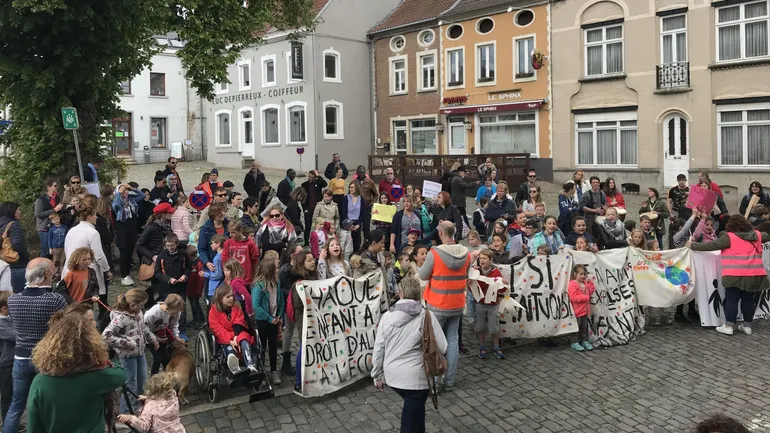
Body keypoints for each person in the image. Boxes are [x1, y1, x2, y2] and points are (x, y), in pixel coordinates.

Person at [27, 307, 126, 433]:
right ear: (91, 344)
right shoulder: (99, 377)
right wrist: (105, 361)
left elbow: (34, 425)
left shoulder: (40, 382)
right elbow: (120, 374)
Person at [371, 277, 447, 433]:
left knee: (416, 414)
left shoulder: (386, 317)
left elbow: (379, 348)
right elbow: (443, 346)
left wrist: (377, 375)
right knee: (411, 419)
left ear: (400, 294)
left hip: (392, 376)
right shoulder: (427, 315)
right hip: (416, 378)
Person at [3, 258, 67, 433]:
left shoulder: (13, 300)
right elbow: (64, 329)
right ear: (47, 273)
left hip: (21, 357)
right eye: (53, 270)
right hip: (46, 357)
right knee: (49, 404)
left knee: (16, 405)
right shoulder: (55, 300)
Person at [689, 215, 770, 335]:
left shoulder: (729, 237)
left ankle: (729, 326)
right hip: (753, 273)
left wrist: (692, 245)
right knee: (748, 300)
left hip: (734, 274)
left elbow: (710, 246)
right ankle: (747, 326)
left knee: (732, 299)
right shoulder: (757, 236)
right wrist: (754, 232)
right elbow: (766, 235)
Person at [418, 221, 470, 392]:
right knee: (453, 341)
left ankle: (434, 383)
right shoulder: (465, 252)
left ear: (440, 233)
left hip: (438, 304)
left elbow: (423, 276)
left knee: (434, 344)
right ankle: (449, 381)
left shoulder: (435, 253)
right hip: (457, 303)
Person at [102, 289, 157, 415]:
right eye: (142, 305)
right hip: (127, 356)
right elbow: (106, 335)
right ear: (133, 305)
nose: (143, 307)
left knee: (143, 381)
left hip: (140, 352)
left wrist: (152, 339)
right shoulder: (121, 318)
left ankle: (139, 408)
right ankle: (125, 413)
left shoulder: (138, 313)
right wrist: (127, 344)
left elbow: (143, 327)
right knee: (130, 385)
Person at [62, 207, 112, 317]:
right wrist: (107, 270)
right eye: (95, 215)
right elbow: (99, 255)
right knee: (96, 298)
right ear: (89, 217)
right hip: (88, 270)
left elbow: (66, 249)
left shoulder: (72, 230)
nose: (96, 217)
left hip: (70, 267)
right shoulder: (93, 232)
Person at [252, 250, 284, 385]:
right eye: (276, 267)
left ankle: (273, 369)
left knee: (273, 346)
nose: (278, 269)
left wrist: (279, 316)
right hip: (263, 321)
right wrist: (269, 318)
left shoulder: (277, 284)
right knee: (262, 347)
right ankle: (261, 371)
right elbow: (256, 306)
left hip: (274, 320)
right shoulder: (258, 287)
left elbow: (280, 301)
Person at [116, 372, 186, 433]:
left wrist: (130, 418)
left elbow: (144, 427)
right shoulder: (173, 397)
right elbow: (161, 402)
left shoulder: (150, 407)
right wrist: (148, 399)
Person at [136, 203, 174, 310]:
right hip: (155, 264)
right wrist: (152, 256)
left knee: (163, 288)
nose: (172, 213)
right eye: (170, 212)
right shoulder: (152, 228)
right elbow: (139, 245)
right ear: (163, 214)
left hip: (165, 262)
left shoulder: (166, 226)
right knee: (158, 289)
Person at [153, 233, 190, 339]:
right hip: (167, 288)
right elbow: (157, 273)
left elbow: (188, 267)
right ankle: (168, 330)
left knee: (181, 309)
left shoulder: (183, 255)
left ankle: (182, 330)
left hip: (180, 287)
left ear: (177, 244)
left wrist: (185, 276)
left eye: (172, 246)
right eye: (168, 246)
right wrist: (169, 279)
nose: (170, 248)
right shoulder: (162, 256)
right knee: (168, 309)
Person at [473, 249, 506, 359]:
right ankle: (482, 346)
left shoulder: (496, 273)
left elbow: (501, 290)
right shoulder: (476, 272)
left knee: (494, 327)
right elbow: (472, 289)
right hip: (480, 303)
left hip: (492, 304)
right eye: (480, 258)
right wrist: (469, 282)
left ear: (491, 260)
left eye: (484, 258)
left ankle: (496, 347)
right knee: (480, 326)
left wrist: (504, 284)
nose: (482, 261)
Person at [0, 203, 30, 293]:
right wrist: (26, 257)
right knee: (19, 296)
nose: (20, 212)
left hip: (2, 264)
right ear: (12, 212)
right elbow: (18, 245)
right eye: (18, 210)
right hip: (16, 265)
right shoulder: (13, 225)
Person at [568, 264, 595, 352]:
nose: (583, 276)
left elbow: (590, 292)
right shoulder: (572, 284)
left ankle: (584, 340)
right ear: (575, 274)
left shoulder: (584, 284)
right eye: (581, 274)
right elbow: (573, 297)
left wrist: (590, 284)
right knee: (576, 328)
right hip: (577, 311)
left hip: (585, 310)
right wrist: (585, 298)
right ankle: (574, 342)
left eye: (584, 274)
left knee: (584, 327)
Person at [33, 179, 62, 259]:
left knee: (56, 250)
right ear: (48, 187)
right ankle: (42, 269)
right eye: (55, 186)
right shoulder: (40, 199)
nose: (57, 187)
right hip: (44, 228)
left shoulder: (57, 198)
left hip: (55, 227)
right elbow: (38, 214)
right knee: (45, 250)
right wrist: (54, 210)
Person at [0, 292, 14, 423]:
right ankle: (6, 422)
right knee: (7, 395)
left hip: (10, 361)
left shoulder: (8, 319)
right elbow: (15, 335)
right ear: (4, 309)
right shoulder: (1, 324)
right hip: (4, 364)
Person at [342, 182, 367, 251]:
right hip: (348, 222)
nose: (351, 189)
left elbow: (362, 213)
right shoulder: (346, 198)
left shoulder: (361, 199)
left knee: (357, 242)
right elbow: (344, 212)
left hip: (357, 222)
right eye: (350, 187)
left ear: (356, 188)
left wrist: (358, 224)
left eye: (352, 187)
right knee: (348, 242)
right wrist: (348, 224)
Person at [186, 245, 205, 328]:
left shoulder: (198, 263)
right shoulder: (188, 263)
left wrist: (199, 290)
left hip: (195, 289)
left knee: (196, 305)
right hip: (189, 288)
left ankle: (201, 320)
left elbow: (200, 279)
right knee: (192, 304)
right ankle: (195, 319)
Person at [47, 213, 67, 279]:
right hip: (55, 247)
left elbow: (68, 236)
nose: (57, 221)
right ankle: (56, 274)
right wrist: (50, 248)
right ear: (51, 221)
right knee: (56, 261)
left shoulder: (64, 227)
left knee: (63, 260)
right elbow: (49, 239)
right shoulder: (51, 230)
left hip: (63, 247)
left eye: (57, 219)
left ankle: (63, 273)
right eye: (55, 220)